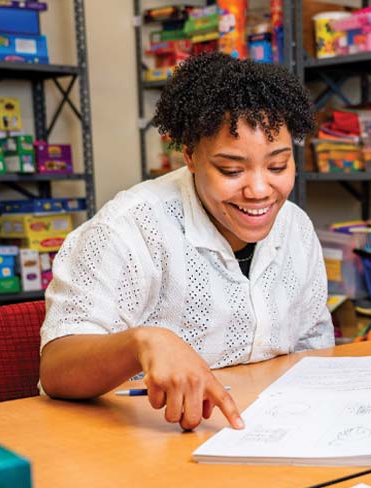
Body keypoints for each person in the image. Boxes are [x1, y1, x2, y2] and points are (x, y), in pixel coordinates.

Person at [40, 53, 333, 429]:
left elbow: (314, 346)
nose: (260, 190)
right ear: (191, 157)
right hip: (141, 442)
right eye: (231, 169)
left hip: (265, 433)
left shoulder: (297, 229)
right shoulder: (130, 228)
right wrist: (142, 343)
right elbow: (56, 367)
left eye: (277, 165)